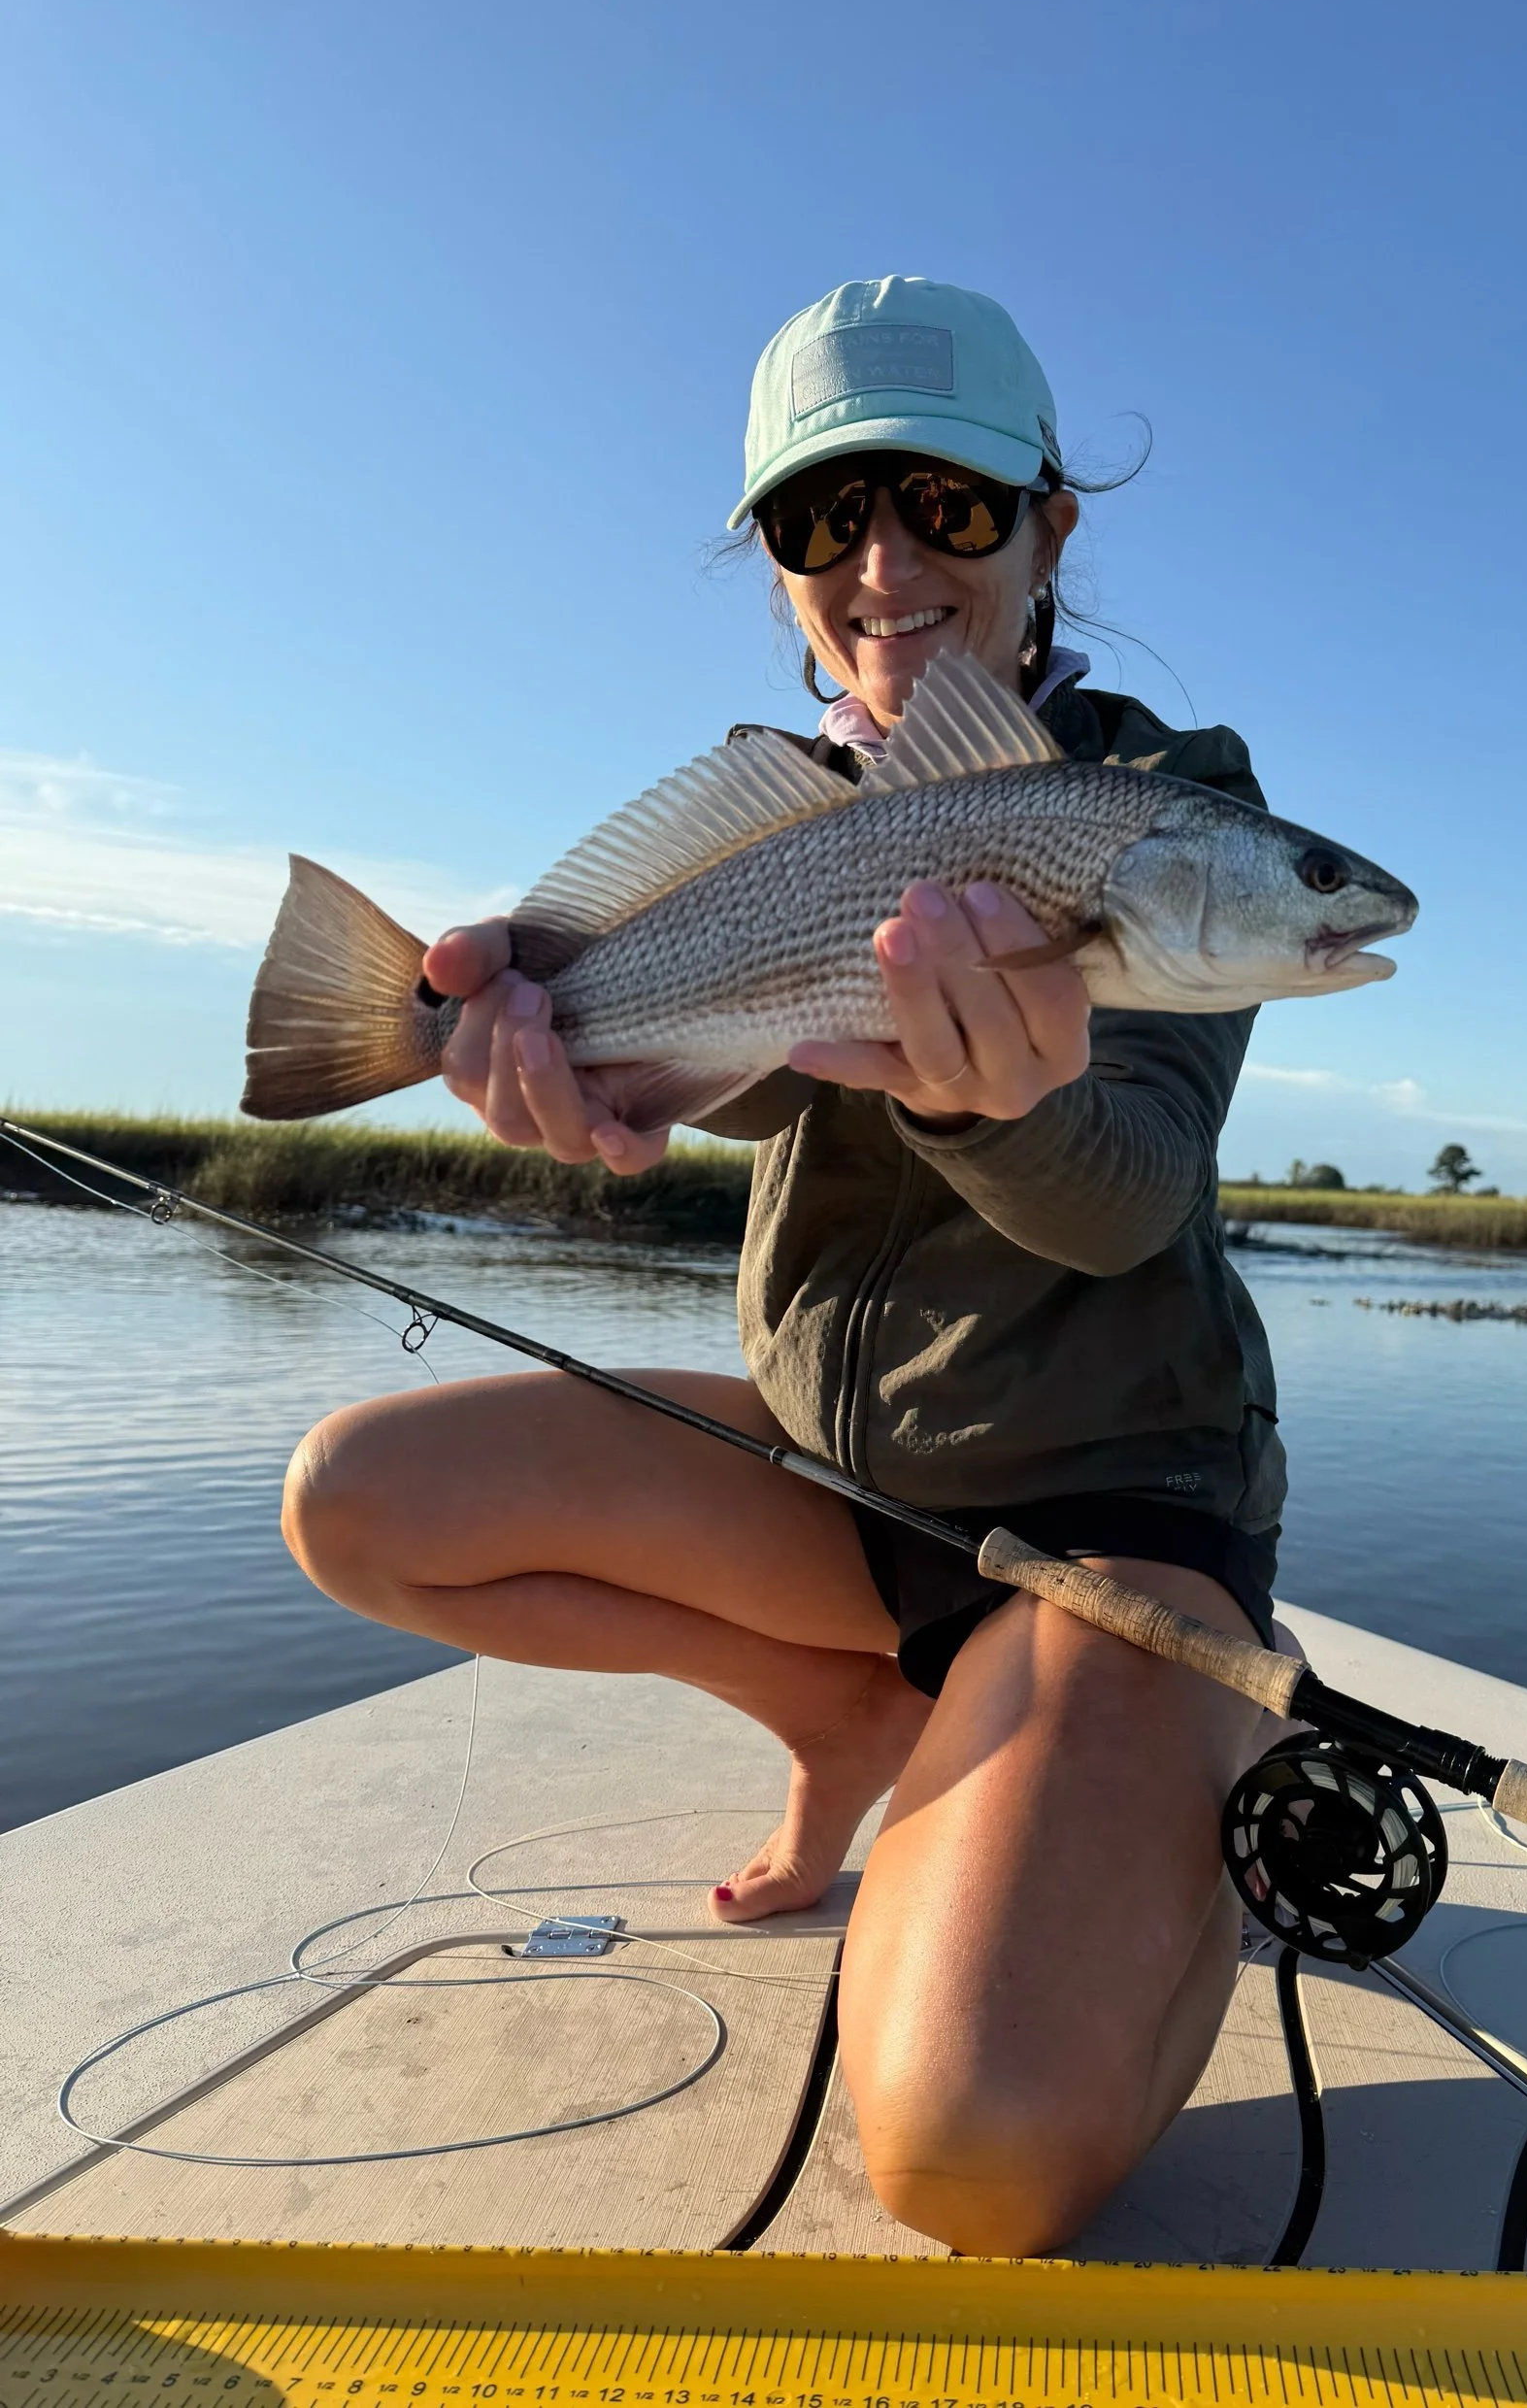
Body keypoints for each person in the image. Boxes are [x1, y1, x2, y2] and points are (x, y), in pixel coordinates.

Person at [282, 276, 1295, 2256]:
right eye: (821, 520)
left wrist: (982, 1096)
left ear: (1050, 524)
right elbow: (738, 1088)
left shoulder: (1175, 810)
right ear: (775, 563)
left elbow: (1120, 1189)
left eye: (950, 505)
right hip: (835, 1489)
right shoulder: (791, 808)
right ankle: (856, 1721)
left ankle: (1190, 1734)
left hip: (1104, 1521)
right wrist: (559, 1052)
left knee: (968, 2150)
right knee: (357, 1500)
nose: (886, 561)